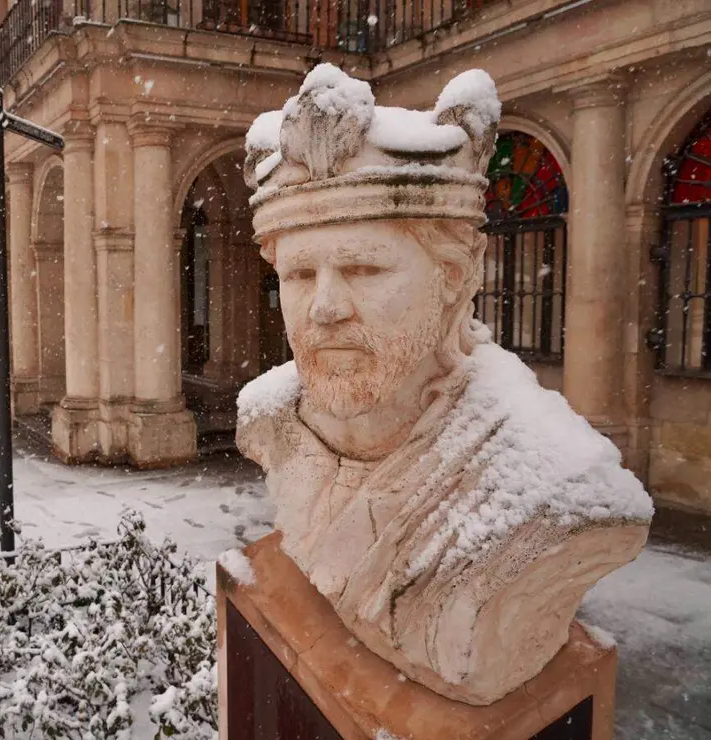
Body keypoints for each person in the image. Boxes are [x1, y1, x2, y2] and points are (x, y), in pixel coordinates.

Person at [236, 64, 654, 705]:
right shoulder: (270, 415)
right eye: (297, 275)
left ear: (455, 279)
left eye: (364, 267)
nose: (324, 308)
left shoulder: (556, 487)